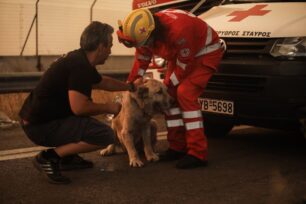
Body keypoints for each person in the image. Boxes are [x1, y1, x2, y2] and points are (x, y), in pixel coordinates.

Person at [19, 21, 139, 184]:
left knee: (84, 124)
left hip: (37, 121)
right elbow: (80, 108)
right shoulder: (80, 67)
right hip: (40, 127)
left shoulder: (78, 59)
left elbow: (103, 82)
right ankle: (48, 158)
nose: (110, 51)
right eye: (110, 46)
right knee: (104, 134)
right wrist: (109, 107)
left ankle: (67, 158)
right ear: (101, 47)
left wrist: (129, 86)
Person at [117, 8, 224, 169]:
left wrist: (165, 87)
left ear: (153, 33)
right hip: (181, 55)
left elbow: (184, 65)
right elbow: (142, 59)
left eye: (145, 43)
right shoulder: (145, 32)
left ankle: (197, 153)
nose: (144, 46)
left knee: (184, 93)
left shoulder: (179, 31)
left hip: (205, 53)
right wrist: (131, 83)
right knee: (170, 96)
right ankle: (177, 147)